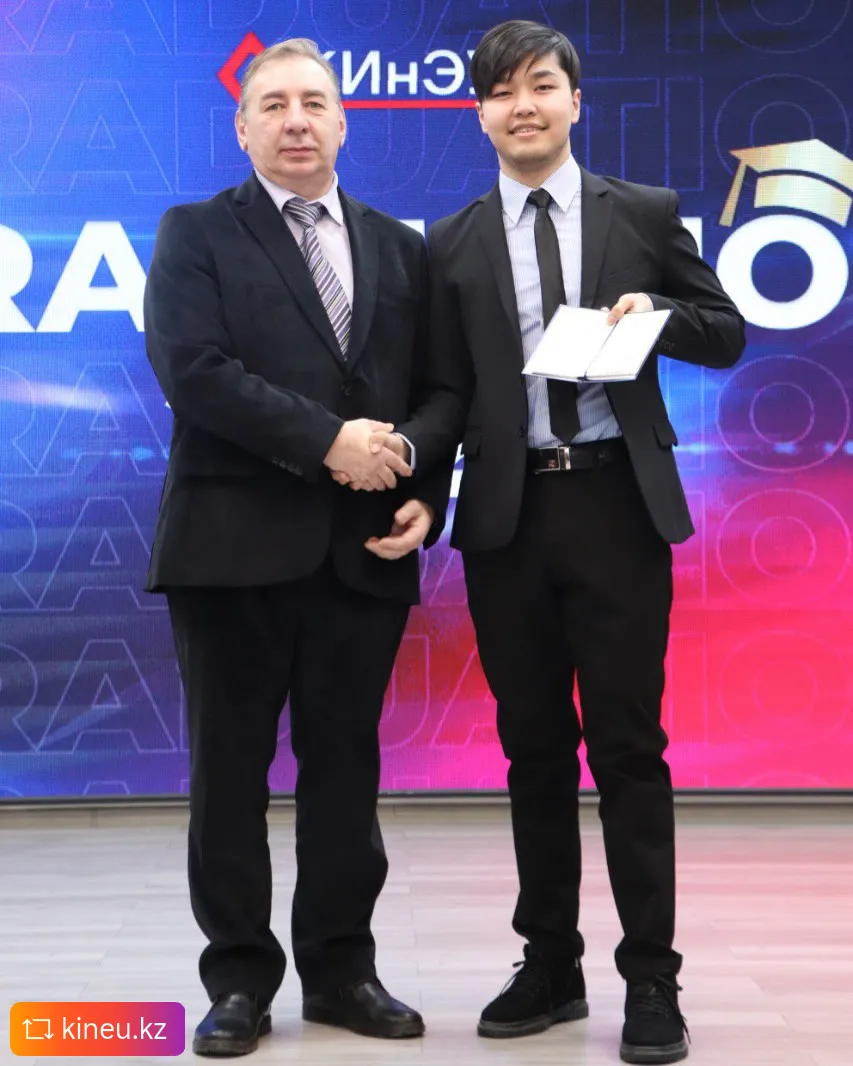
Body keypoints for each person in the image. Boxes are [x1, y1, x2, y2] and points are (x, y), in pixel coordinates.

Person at [404, 19, 746, 1065]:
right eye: (501, 90)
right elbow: (443, 388)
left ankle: (652, 979)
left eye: (541, 85)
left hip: (616, 508)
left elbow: (724, 332)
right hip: (506, 518)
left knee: (629, 749)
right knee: (534, 751)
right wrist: (417, 494)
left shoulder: (641, 212)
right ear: (480, 113)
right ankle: (550, 964)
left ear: (574, 101)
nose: (523, 105)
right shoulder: (449, 240)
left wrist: (658, 315)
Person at [143, 38, 456, 1057]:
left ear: (344, 121)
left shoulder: (401, 248)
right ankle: (238, 980)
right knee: (227, 775)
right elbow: (193, 371)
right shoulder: (195, 232)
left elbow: (442, 389)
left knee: (345, 775)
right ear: (242, 127)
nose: (295, 119)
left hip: (362, 551)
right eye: (272, 103)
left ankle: (341, 971)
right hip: (229, 550)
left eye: (314, 102)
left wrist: (419, 484)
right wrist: (329, 442)